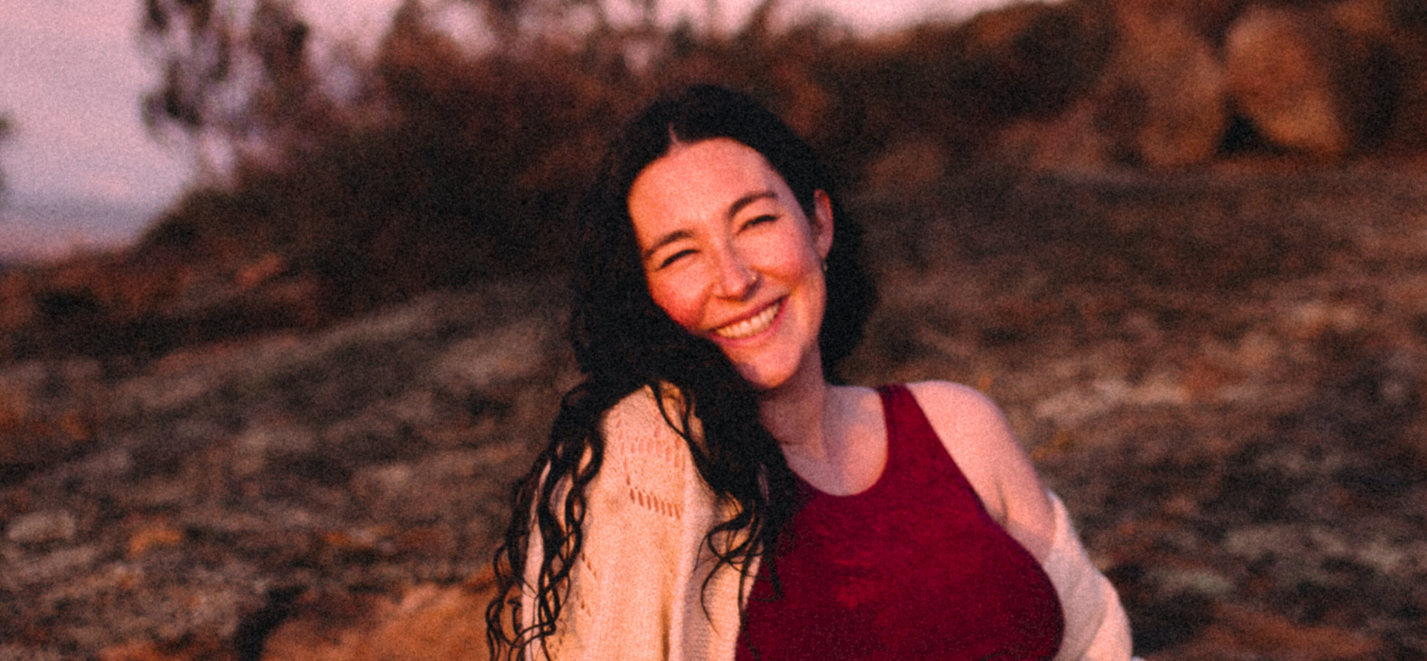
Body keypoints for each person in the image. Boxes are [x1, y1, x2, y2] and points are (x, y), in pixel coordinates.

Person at [486, 84, 1135, 661]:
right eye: (682, 255)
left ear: (818, 224)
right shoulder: (643, 472)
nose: (735, 280)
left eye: (757, 221)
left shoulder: (960, 427)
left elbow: (1094, 642)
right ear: (644, 292)